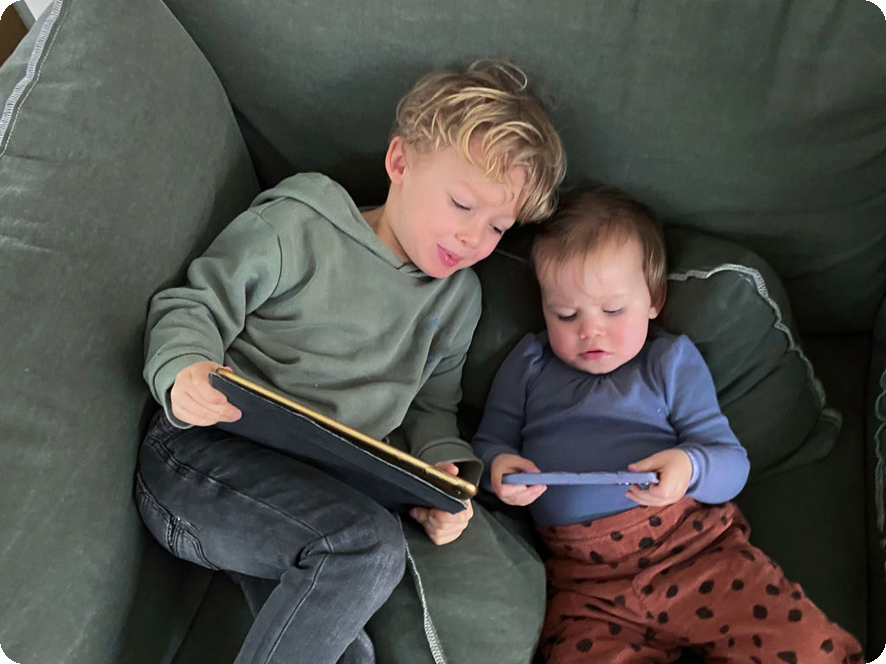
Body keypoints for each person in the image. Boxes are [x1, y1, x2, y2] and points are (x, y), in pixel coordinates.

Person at [134, 58, 565, 664]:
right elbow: (194, 305)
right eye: (461, 205)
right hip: (198, 460)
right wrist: (185, 369)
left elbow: (432, 408)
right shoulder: (300, 221)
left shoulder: (458, 300)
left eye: (498, 227)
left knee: (345, 650)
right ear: (400, 162)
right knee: (367, 549)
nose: (475, 239)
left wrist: (443, 482)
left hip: (312, 495)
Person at [471, 188, 866, 663]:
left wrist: (689, 466)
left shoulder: (670, 361)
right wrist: (500, 469)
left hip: (693, 553)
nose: (590, 329)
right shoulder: (529, 364)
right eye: (566, 314)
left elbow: (732, 465)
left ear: (653, 299)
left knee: (805, 648)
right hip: (584, 583)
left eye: (613, 310)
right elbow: (487, 444)